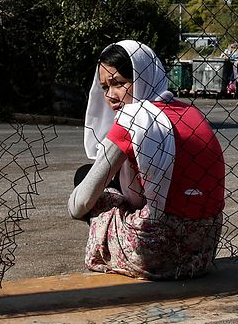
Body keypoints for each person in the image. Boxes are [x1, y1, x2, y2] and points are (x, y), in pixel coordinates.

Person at [70, 40, 225, 280]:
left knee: (85, 177)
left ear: (142, 78)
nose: (110, 96)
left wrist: (78, 201)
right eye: (105, 87)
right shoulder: (191, 112)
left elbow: (78, 205)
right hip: (201, 252)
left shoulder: (133, 119)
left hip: (154, 254)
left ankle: (114, 248)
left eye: (119, 83)